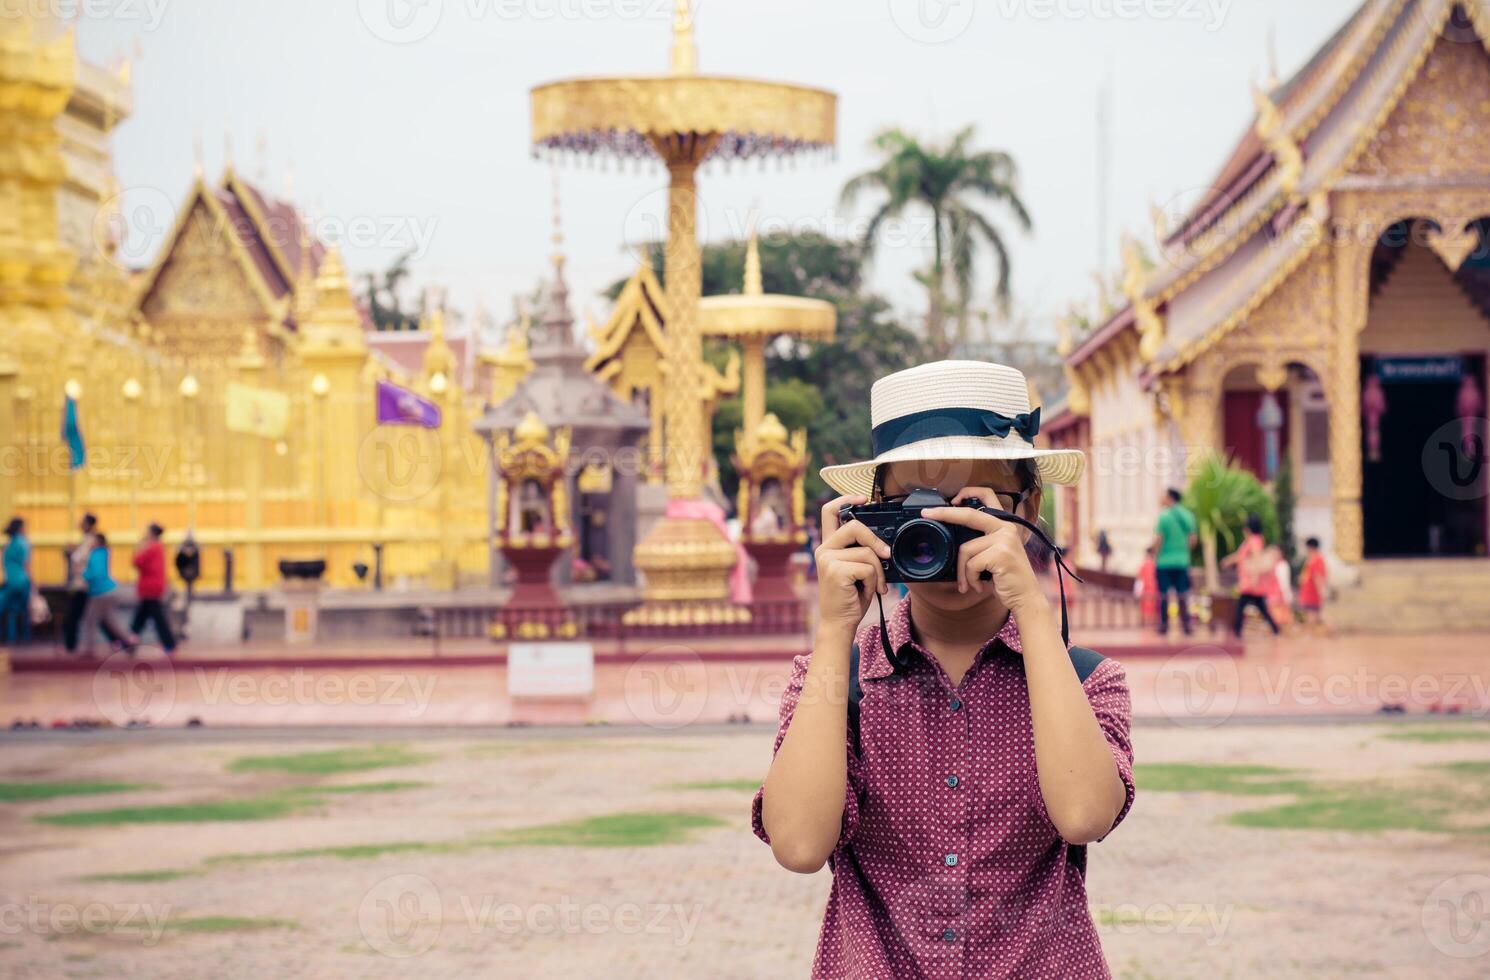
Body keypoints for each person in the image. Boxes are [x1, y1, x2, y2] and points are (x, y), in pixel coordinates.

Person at [754, 360, 1134, 977]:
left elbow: (1086, 815)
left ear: (1029, 508)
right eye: (912, 507)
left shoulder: (1087, 681)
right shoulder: (838, 682)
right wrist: (833, 630)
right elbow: (798, 845)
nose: (939, 531)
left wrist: (1033, 612)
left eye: (971, 507)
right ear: (869, 518)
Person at [77, 533, 136, 657]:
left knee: (90, 620)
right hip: (107, 590)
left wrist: (83, 574)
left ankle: (89, 649)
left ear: (97, 542)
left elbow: (96, 573)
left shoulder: (95, 554)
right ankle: (130, 641)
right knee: (110, 621)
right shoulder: (104, 553)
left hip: (100, 592)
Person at [1224, 514, 1281, 638]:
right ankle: (1275, 629)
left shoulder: (1255, 540)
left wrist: (1254, 578)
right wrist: (1228, 560)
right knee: (1261, 607)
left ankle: (1237, 631)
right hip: (1250, 582)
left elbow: (1256, 558)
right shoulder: (1251, 540)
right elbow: (1241, 556)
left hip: (1251, 582)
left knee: (1241, 606)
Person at [1151, 488, 1197, 636]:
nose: (1162, 498)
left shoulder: (1164, 517)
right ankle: (1186, 625)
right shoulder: (1188, 516)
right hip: (1182, 562)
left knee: (1164, 594)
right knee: (1183, 593)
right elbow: (1193, 539)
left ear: (1170, 498)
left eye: (1164, 496)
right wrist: (1184, 553)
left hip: (1164, 562)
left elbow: (1159, 539)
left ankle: (1164, 625)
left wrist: (1155, 555)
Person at [130, 523, 176, 654]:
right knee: (143, 614)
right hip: (154, 585)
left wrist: (139, 548)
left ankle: (169, 643)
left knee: (156, 616)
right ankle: (132, 638)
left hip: (150, 586)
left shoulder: (151, 547)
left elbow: (137, 561)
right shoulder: (158, 547)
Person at [62, 513, 99, 652]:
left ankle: (70, 646)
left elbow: (81, 560)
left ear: (88, 524)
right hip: (82, 583)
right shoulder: (86, 540)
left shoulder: (91, 540)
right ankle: (121, 642)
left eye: (82, 522)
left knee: (74, 615)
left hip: (84, 584)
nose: (80, 524)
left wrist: (71, 553)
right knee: (93, 616)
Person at [2, 517, 33, 644]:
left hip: (10, 581)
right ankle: (26, 637)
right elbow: (26, 565)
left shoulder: (7, 545)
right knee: (25, 611)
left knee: (11, 612)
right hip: (23, 580)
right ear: (20, 528)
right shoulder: (24, 543)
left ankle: (11, 638)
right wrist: (34, 583)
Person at [1298, 537, 1329, 633]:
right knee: (1314, 616)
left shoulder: (1317, 560)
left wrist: (1321, 591)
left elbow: (1318, 577)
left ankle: (1310, 638)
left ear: (1311, 547)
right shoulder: (1311, 560)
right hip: (1307, 593)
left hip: (1313, 594)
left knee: (1314, 617)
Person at [1134, 545, 1160, 627]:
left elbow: (1138, 576)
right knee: (1155, 606)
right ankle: (1154, 623)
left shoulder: (1143, 564)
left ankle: (1143, 623)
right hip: (1154, 588)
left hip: (1145, 588)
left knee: (1143, 607)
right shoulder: (1156, 564)